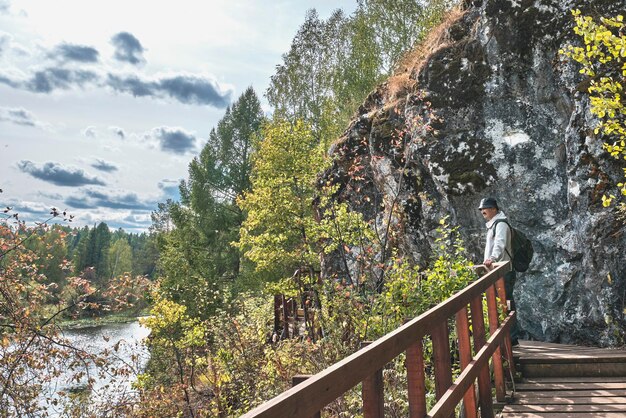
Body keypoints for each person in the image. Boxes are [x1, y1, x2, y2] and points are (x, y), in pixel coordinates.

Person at [478, 197, 519, 345]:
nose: (483, 211)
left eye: (485, 208)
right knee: (504, 301)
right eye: (481, 209)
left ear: (494, 209)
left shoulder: (500, 224)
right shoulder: (495, 224)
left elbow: (500, 244)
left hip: (504, 270)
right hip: (500, 270)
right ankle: (508, 336)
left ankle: (512, 337)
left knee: (506, 301)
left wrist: (492, 259)